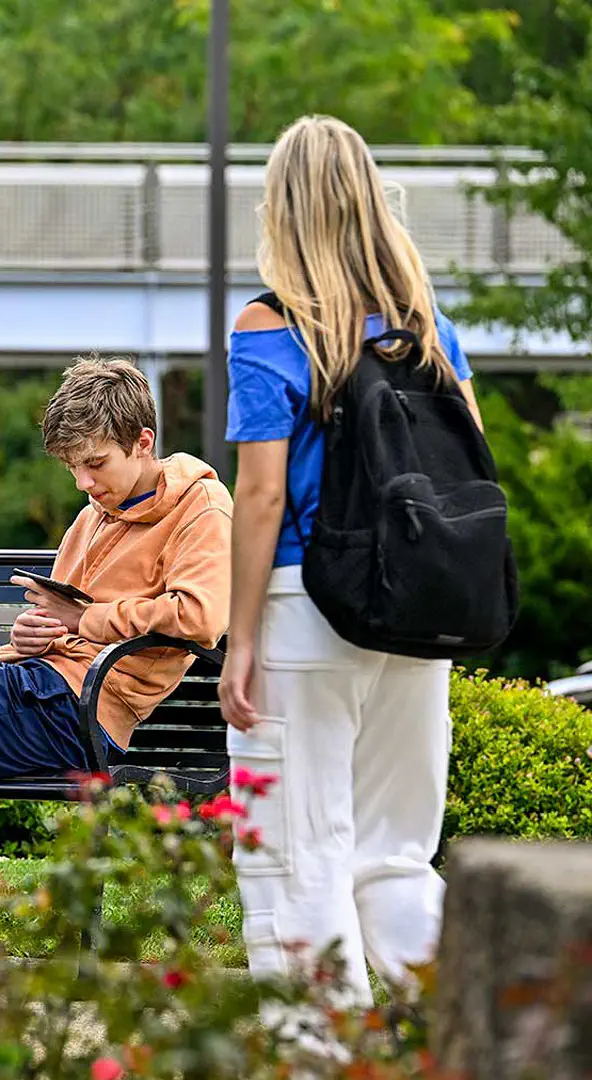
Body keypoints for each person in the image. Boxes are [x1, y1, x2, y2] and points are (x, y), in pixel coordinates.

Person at [219, 115, 487, 1006]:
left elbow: (258, 497)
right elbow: (470, 463)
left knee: (298, 861)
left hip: (307, 608)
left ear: (282, 209)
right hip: (416, 615)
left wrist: (242, 638)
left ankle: (324, 1062)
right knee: (393, 861)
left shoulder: (271, 325)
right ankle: (499, 1034)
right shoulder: (429, 325)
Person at [0, 356, 233, 783]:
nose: (82, 483)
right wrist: (31, 634)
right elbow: (67, 620)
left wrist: (84, 619)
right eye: (73, 467)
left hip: (71, 713)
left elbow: (200, 618)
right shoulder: (95, 514)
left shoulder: (201, 508)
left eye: (96, 463)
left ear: (143, 442)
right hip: (31, 692)